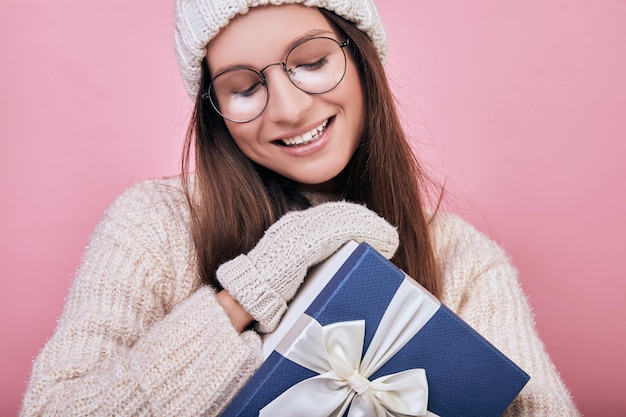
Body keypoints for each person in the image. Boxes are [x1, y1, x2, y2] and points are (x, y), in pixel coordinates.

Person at [20, 1, 580, 416]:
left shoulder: (461, 259)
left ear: (361, 58)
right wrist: (249, 292)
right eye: (244, 88)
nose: (288, 109)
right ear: (216, 112)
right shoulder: (154, 223)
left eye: (310, 61)